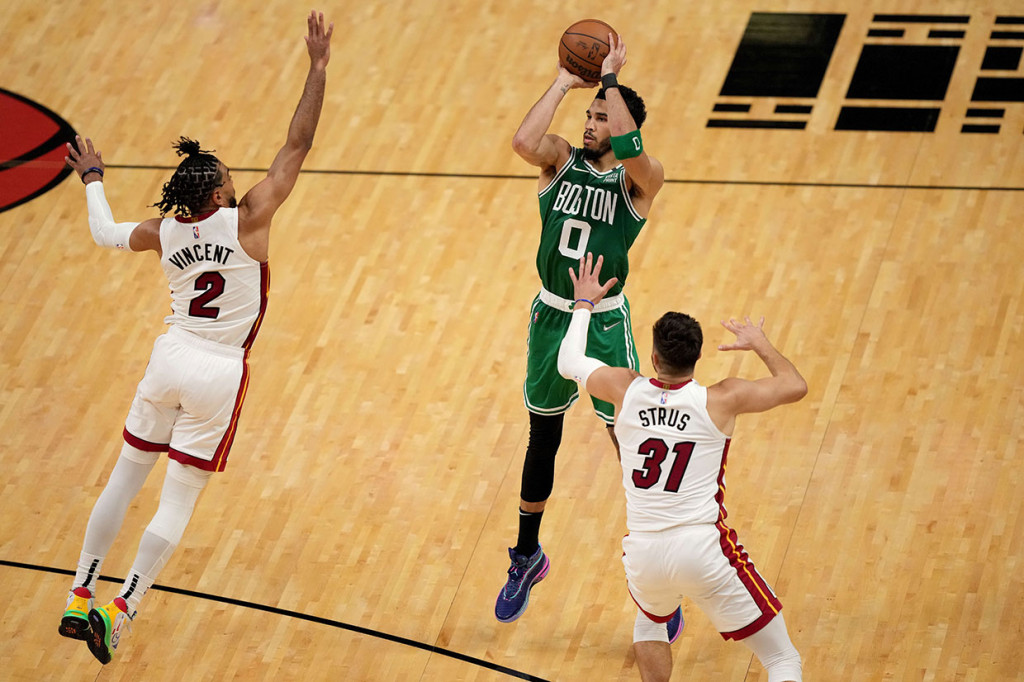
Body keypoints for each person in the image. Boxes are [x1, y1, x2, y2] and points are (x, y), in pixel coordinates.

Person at [57, 11, 333, 665]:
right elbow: (298, 144)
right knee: (178, 497)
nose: (239, 181)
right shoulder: (251, 218)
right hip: (218, 370)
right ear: (218, 192)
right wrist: (318, 67)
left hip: (170, 355)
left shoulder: (165, 231)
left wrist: (93, 179)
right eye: (230, 177)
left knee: (124, 480)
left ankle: (78, 593)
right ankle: (122, 606)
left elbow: (103, 233)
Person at [556, 253, 807, 682]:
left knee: (651, 620)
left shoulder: (624, 388)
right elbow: (794, 386)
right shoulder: (721, 399)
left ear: (654, 358)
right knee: (782, 659)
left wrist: (583, 304)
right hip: (700, 547)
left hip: (643, 550)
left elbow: (568, 362)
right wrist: (759, 342)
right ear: (699, 356)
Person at [495, 32, 666, 623]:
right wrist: (566, 81)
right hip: (552, 315)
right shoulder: (560, 160)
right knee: (542, 436)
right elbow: (523, 141)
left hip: (605, 323)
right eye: (588, 117)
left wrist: (612, 80)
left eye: (601, 118)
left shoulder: (639, 181)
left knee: (629, 440)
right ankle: (526, 555)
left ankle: (657, 566)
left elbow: (635, 150)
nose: (590, 125)